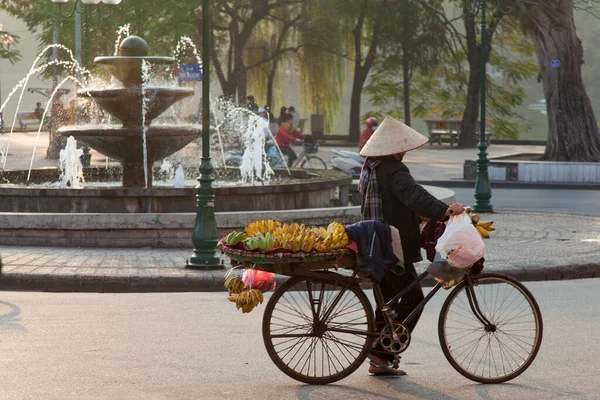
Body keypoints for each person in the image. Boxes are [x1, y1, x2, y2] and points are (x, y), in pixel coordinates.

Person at [358, 116, 465, 376]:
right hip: (390, 245)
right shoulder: (394, 170)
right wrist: (443, 209)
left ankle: (380, 357)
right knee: (414, 298)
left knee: (388, 303)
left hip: (374, 242)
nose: (405, 150)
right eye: (403, 146)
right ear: (395, 148)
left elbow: (392, 203)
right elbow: (412, 193)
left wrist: (419, 217)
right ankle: (381, 352)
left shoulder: (371, 167)